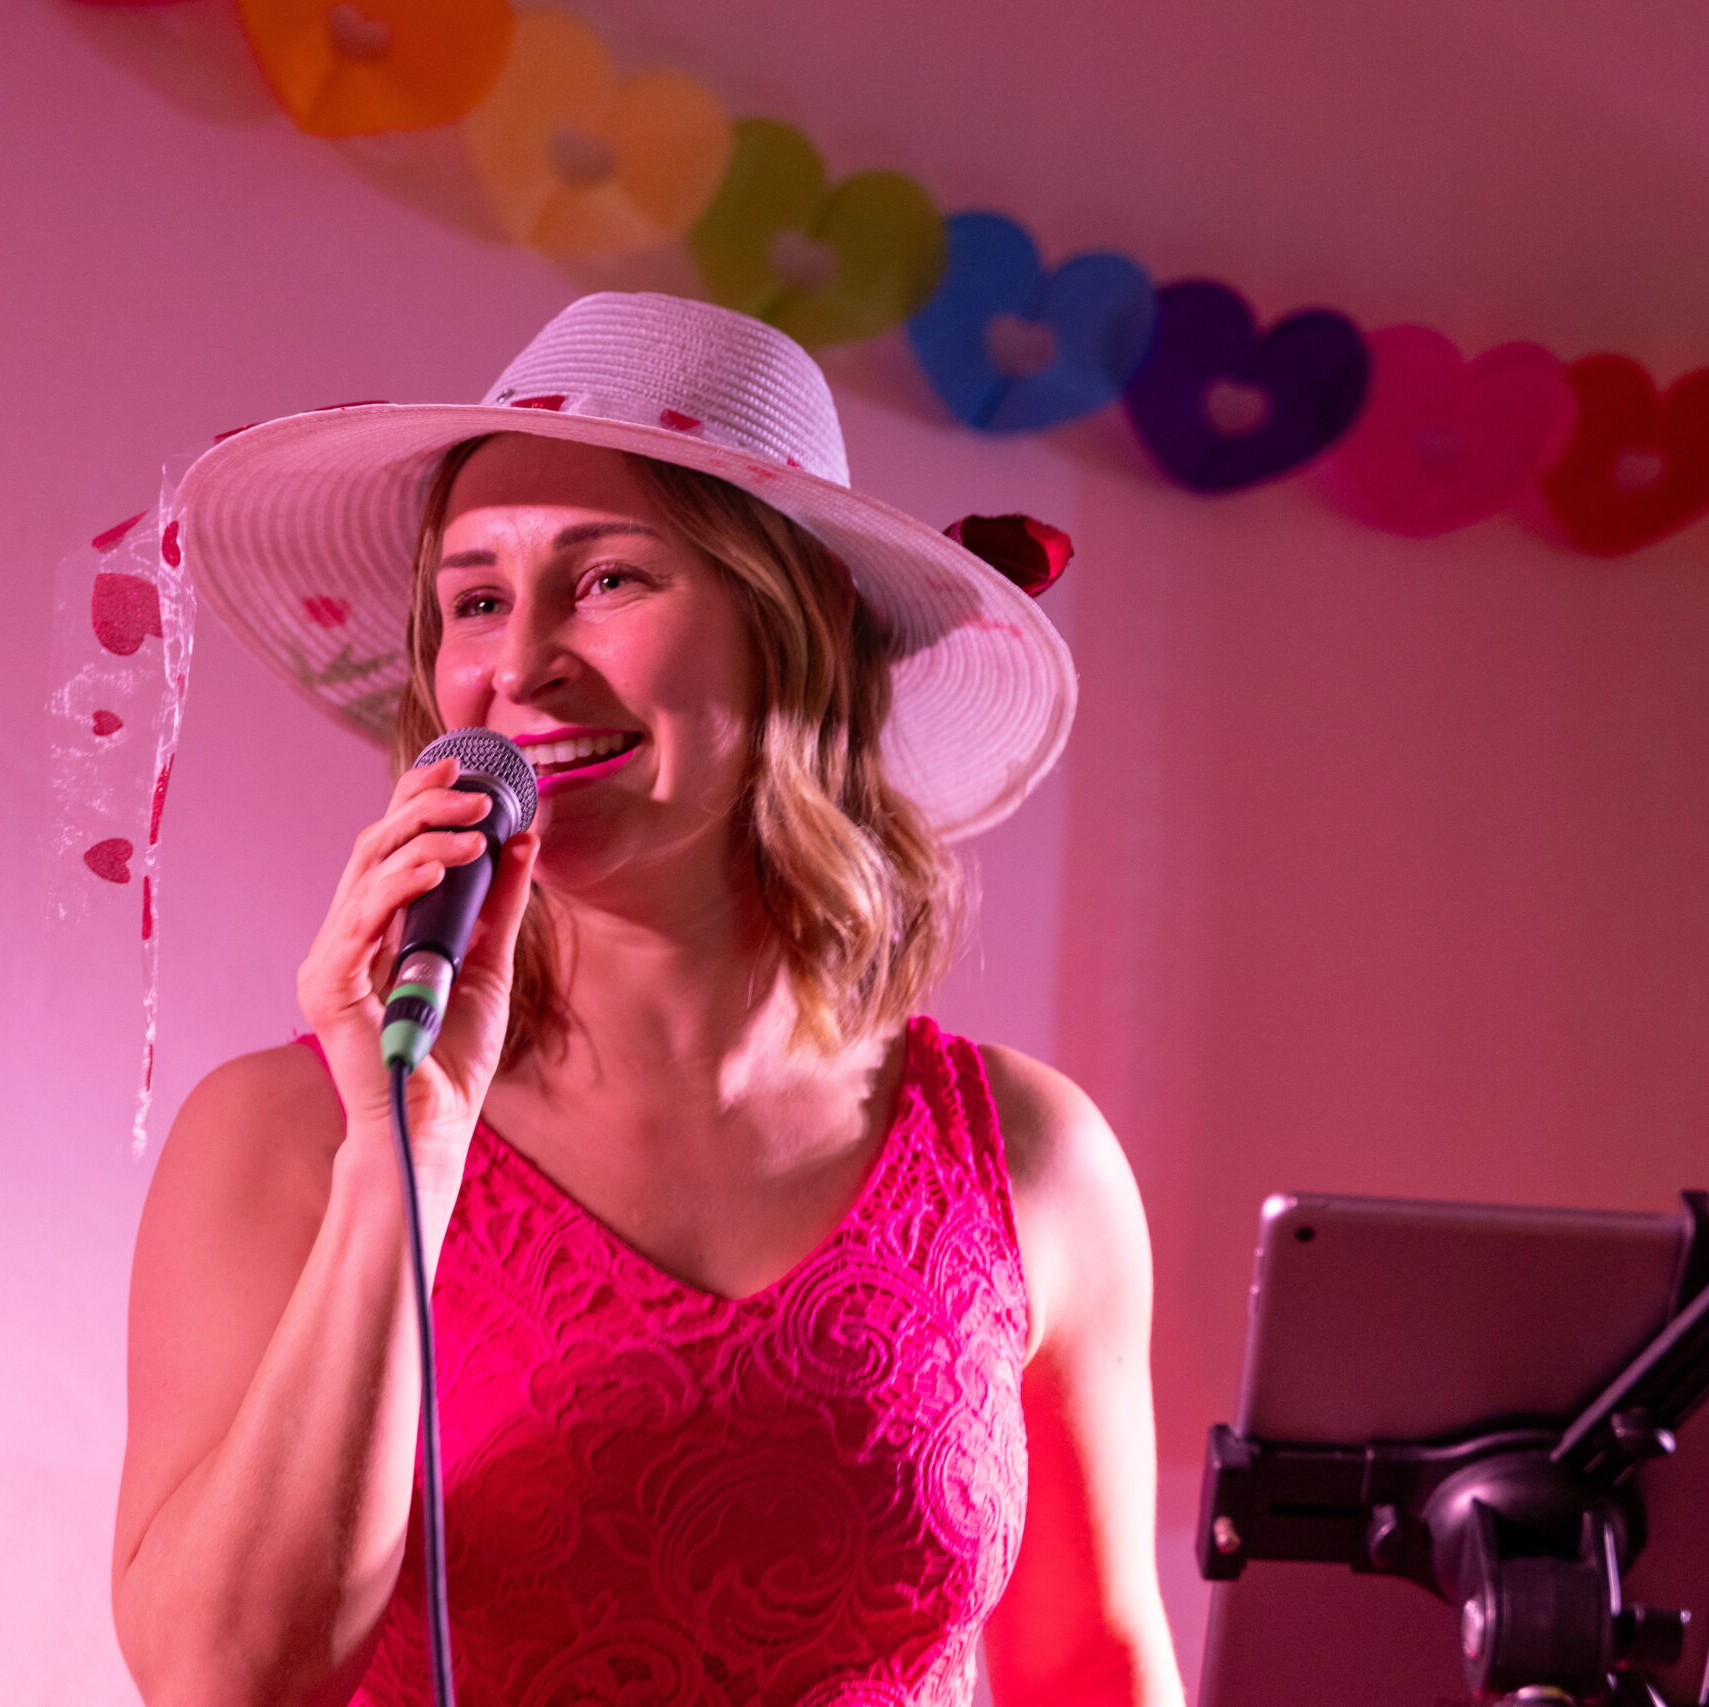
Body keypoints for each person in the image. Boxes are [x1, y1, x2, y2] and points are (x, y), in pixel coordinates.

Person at [110, 293, 1183, 1707]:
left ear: (794, 633)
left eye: (609, 579)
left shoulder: (1031, 1156)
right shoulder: (280, 1138)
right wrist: (400, 1159)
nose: (521, 663)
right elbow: (221, 1683)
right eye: (476, 601)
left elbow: (1094, 1667)